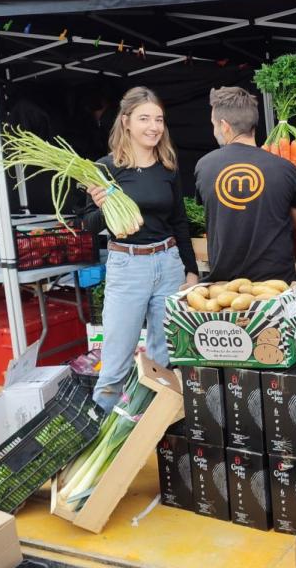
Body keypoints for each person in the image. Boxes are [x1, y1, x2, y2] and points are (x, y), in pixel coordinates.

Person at [81, 86, 199, 413]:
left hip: (168, 264)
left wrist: (191, 270)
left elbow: (179, 221)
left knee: (164, 359)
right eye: (144, 118)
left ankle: (147, 427)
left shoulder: (167, 166)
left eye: (159, 119)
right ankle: (98, 432)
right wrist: (102, 208)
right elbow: (87, 225)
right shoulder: (105, 168)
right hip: (127, 266)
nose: (153, 127)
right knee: (116, 360)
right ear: (126, 122)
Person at [194, 86, 296, 283]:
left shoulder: (204, 166)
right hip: (276, 287)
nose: (214, 130)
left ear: (224, 126)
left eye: (214, 125)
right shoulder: (285, 168)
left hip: (225, 289)